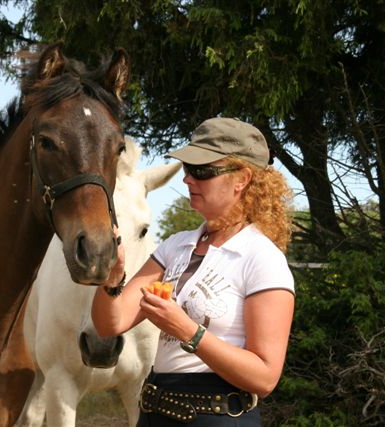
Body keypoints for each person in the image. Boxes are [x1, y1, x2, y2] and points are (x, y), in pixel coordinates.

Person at [92, 117, 295, 426]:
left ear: (241, 178)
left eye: (202, 171)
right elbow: (112, 322)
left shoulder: (262, 258)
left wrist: (187, 330)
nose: (187, 179)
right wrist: (111, 279)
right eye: (188, 169)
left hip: (218, 418)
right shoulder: (174, 246)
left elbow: (265, 377)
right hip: (154, 413)